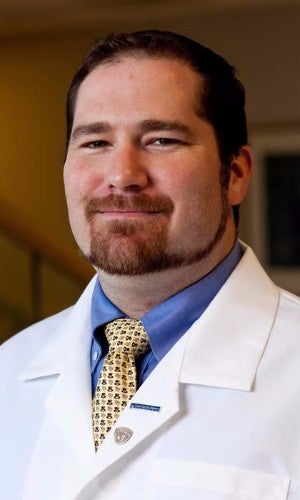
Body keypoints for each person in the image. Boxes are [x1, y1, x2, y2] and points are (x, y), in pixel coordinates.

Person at [1, 29, 300, 500]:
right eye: (95, 142)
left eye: (161, 139)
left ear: (236, 173)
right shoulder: (8, 370)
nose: (122, 176)